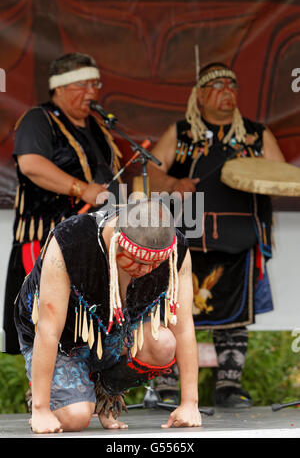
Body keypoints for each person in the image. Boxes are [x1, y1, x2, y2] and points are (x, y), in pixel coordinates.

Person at [147, 62, 285, 408]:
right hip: (187, 237)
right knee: (172, 310)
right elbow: (151, 175)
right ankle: (165, 386)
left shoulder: (255, 134)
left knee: (236, 311)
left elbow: (280, 177)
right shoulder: (181, 133)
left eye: (233, 85)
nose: (228, 90)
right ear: (201, 94)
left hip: (238, 237)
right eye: (219, 84)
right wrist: (173, 184)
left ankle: (228, 384)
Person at [14, 198, 201, 433]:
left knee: (163, 344)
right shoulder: (71, 241)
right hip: (62, 340)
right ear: (117, 242)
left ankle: (105, 390)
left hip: (115, 331)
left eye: (155, 265)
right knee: (74, 419)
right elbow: (49, 330)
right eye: (140, 262)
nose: (146, 271)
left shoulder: (176, 251)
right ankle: (46, 391)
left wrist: (190, 404)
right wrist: (41, 410)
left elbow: (183, 327)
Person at [3, 52, 122, 354]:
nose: (92, 92)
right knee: (51, 319)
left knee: (91, 323)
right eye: (82, 85)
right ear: (59, 88)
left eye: (95, 84)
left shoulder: (97, 128)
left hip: (92, 242)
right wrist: (81, 189)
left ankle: (95, 394)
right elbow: (31, 164)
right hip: (47, 238)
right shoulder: (38, 119)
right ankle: (47, 396)